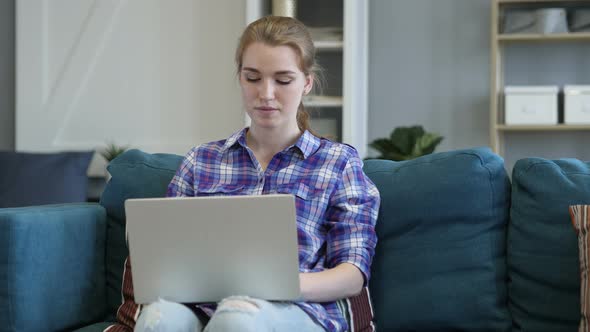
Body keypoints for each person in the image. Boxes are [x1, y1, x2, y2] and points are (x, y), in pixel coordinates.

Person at [105, 15, 379, 332]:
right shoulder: (200, 160)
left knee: (237, 318)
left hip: (296, 309)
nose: (266, 93)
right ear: (240, 78)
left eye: (283, 80)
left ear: (306, 83)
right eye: (253, 78)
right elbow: (167, 262)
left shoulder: (338, 163)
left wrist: (279, 286)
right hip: (202, 307)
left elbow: (352, 274)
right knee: (157, 319)